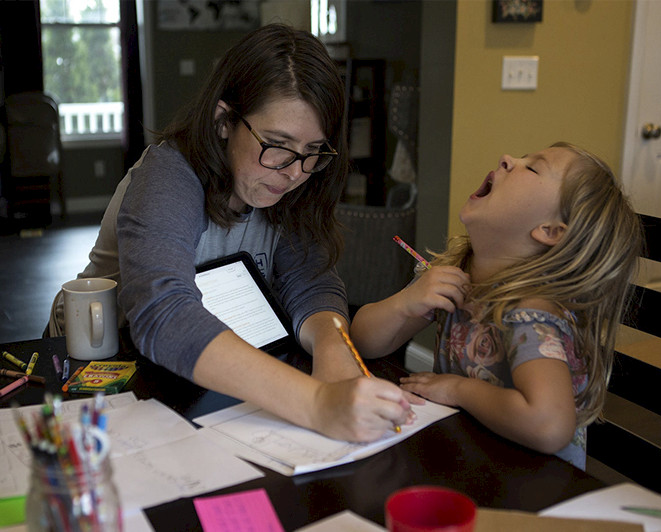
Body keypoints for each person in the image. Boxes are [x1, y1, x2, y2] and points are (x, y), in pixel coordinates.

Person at [47, 24, 412, 442]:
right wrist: (316, 403)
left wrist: (335, 353)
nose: (295, 173)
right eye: (277, 144)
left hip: (197, 372)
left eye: (314, 153)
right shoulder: (167, 175)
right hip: (97, 365)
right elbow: (163, 313)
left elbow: (310, 282)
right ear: (224, 121)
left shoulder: (290, 183)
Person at [350, 142, 643, 468]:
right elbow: (362, 342)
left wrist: (459, 390)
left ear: (549, 231)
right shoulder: (460, 275)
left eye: (532, 167)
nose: (507, 158)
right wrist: (406, 303)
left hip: (529, 486)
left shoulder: (531, 314)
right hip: (470, 457)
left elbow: (548, 426)